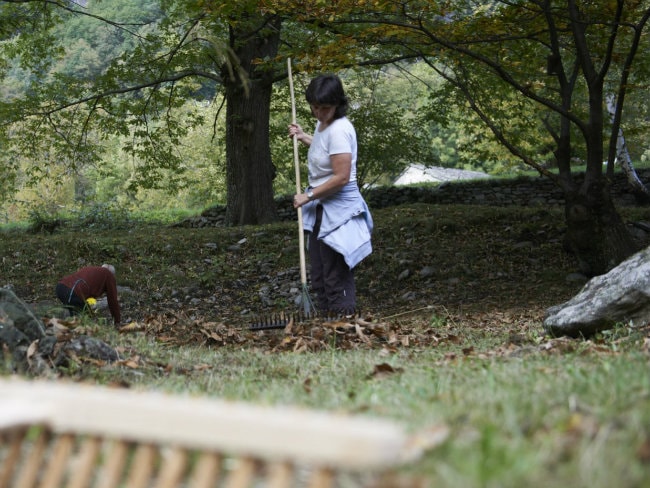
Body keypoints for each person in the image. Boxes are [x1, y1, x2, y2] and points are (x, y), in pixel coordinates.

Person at [289, 73, 373, 315]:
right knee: (319, 272)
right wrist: (304, 136)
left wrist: (309, 195)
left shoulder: (340, 130)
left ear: (337, 104)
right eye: (314, 107)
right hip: (322, 208)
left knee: (335, 271)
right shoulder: (324, 124)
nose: (318, 112)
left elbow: (341, 177)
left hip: (340, 210)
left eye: (324, 108)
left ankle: (342, 325)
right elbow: (324, 150)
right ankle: (327, 323)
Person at [55, 264, 121, 325]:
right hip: (72, 292)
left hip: (60, 287)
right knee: (86, 320)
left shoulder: (91, 269)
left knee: (76, 317)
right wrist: (117, 321)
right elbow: (113, 300)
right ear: (112, 274)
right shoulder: (108, 274)